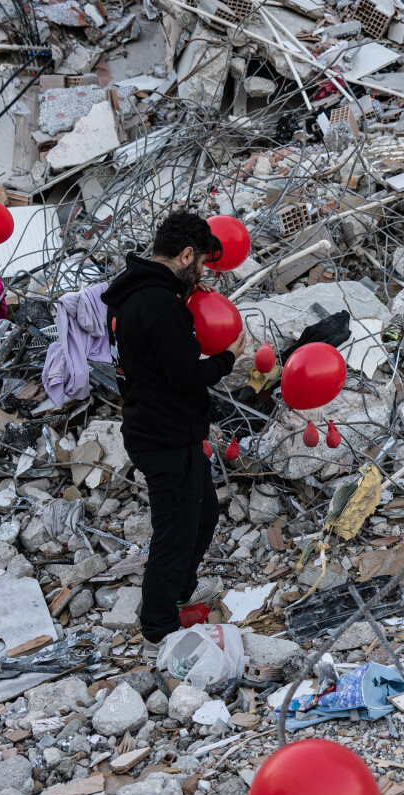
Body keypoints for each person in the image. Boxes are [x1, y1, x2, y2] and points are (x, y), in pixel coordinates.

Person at [102, 211, 248, 644]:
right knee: (175, 532)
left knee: (202, 516)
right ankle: (159, 626)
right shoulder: (160, 305)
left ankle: (180, 591)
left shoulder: (142, 293)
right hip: (164, 437)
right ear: (186, 254)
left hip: (167, 430)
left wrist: (186, 295)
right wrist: (228, 359)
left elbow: (159, 351)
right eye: (200, 261)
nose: (202, 271)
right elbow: (185, 374)